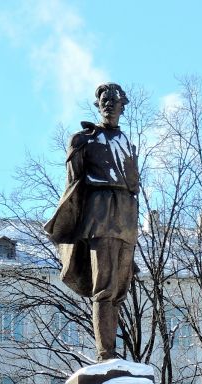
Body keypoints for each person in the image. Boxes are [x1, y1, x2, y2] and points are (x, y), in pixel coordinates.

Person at [44, 82, 140, 362]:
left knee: (120, 290)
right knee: (105, 287)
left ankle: (112, 355)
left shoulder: (128, 145)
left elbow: (134, 188)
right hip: (100, 217)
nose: (109, 103)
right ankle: (105, 354)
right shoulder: (84, 140)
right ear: (98, 105)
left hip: (126, 219)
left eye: (114, 99)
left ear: (123, 105)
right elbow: (72, 187)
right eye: (104, 99)